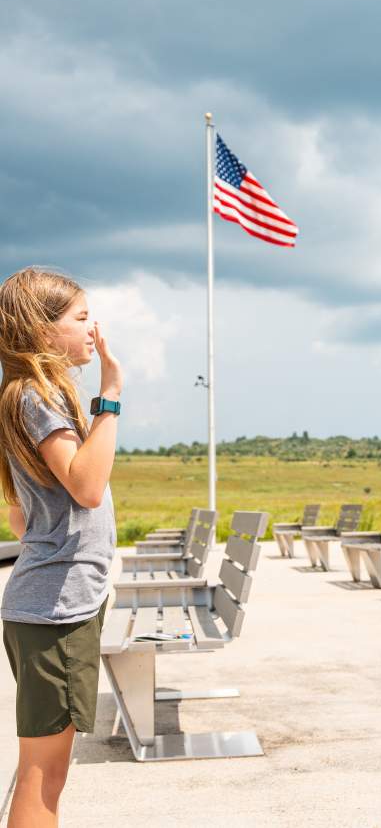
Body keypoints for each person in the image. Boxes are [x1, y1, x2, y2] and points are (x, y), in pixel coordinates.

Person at [0, 267, 123, 828]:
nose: (90, 327)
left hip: (49, 606)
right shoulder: (38, 395)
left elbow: (22, 518)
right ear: (45, 332)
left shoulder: (23, 395)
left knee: (42, 769)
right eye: (79, 317)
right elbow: (87, 486)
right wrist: (111, 398)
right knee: (44, 776)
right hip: (56, 611)